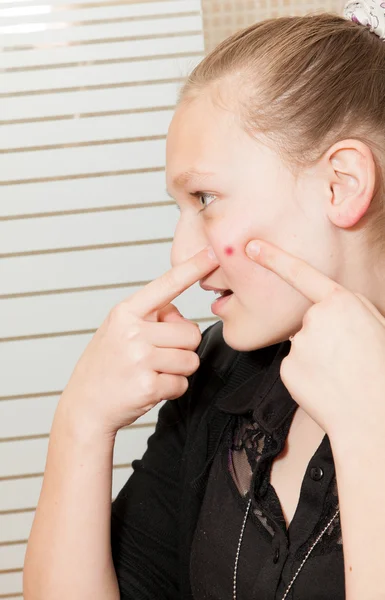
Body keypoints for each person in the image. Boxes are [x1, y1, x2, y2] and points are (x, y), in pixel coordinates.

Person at [23, 2, 385, 599]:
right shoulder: (223, 376)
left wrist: (371, 433)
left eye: (205, 198)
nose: (181, 252)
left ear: (339, 184)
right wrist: (81, 422)